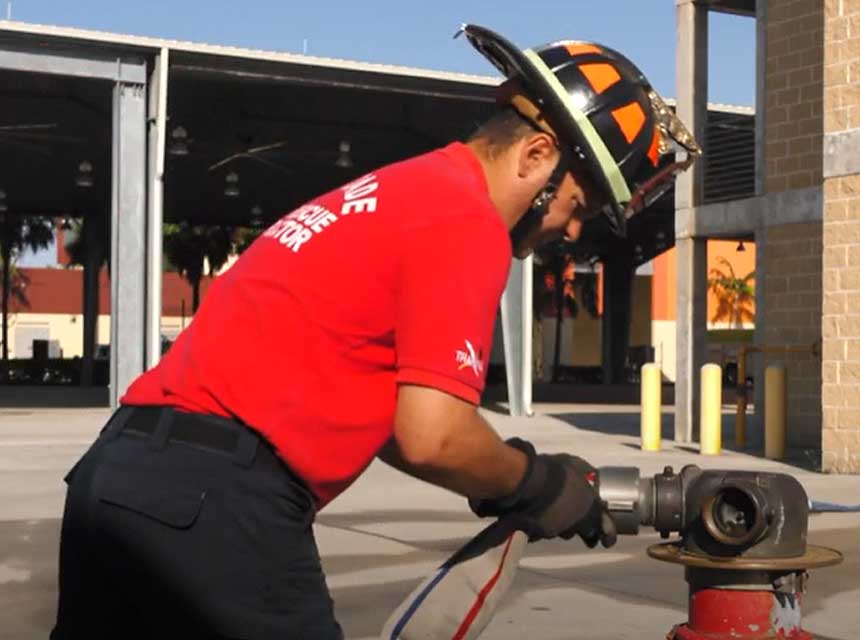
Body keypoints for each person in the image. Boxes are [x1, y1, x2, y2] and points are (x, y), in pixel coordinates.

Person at [51, 24, 700, 640]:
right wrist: (539, 483)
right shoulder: (466, 221)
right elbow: (433, 436)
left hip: (114, 476)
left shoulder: (398, 192)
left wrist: (494, 473)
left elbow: (393, 418)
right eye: (580, 205)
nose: (575, 230)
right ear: (537, 155)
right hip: (217, 502)